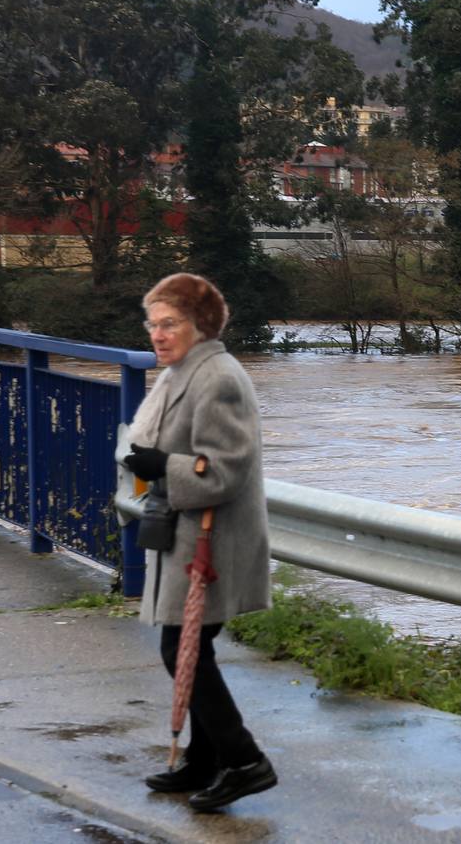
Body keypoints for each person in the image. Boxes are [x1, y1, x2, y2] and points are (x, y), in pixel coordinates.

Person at [120, 272, 276, 812]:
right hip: (189, 534)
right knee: (192, 648)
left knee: (180, 648)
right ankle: (206, 757)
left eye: (169, 324)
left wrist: (164, 465)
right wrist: (155, 462)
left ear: (201, 325)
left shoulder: (218, 379)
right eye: (152, 324)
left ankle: (246, 761)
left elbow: (226, 469)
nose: (157, 335)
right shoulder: (182, 372)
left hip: (213, 540)